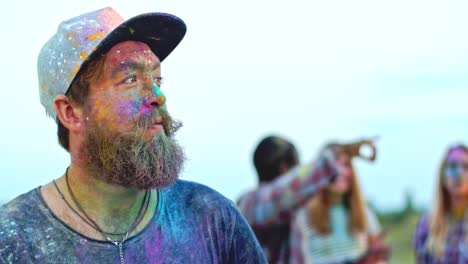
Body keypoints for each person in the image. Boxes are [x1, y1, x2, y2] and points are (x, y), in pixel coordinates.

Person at [0, 7, 266, 263]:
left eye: (157, 79)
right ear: (70, 112)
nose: (158, 96)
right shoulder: (13, 240)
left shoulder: (213, 219)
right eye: (130, 79)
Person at [238, 135, 382, 263]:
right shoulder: (251, 205)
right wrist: (334, 155)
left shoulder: (290, 216)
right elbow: (291, 189)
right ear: (284, 169)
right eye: (296, 170)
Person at [290, 143, 389, 264]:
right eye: (334, 164)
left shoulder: (365, 213)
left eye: (346, 165)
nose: (340, 171)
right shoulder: (304, 215)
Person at [414, 144, 468, 263]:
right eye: (453, 167)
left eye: (466, 167)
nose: (459, 173)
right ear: (443, 175)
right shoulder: (426, 224)